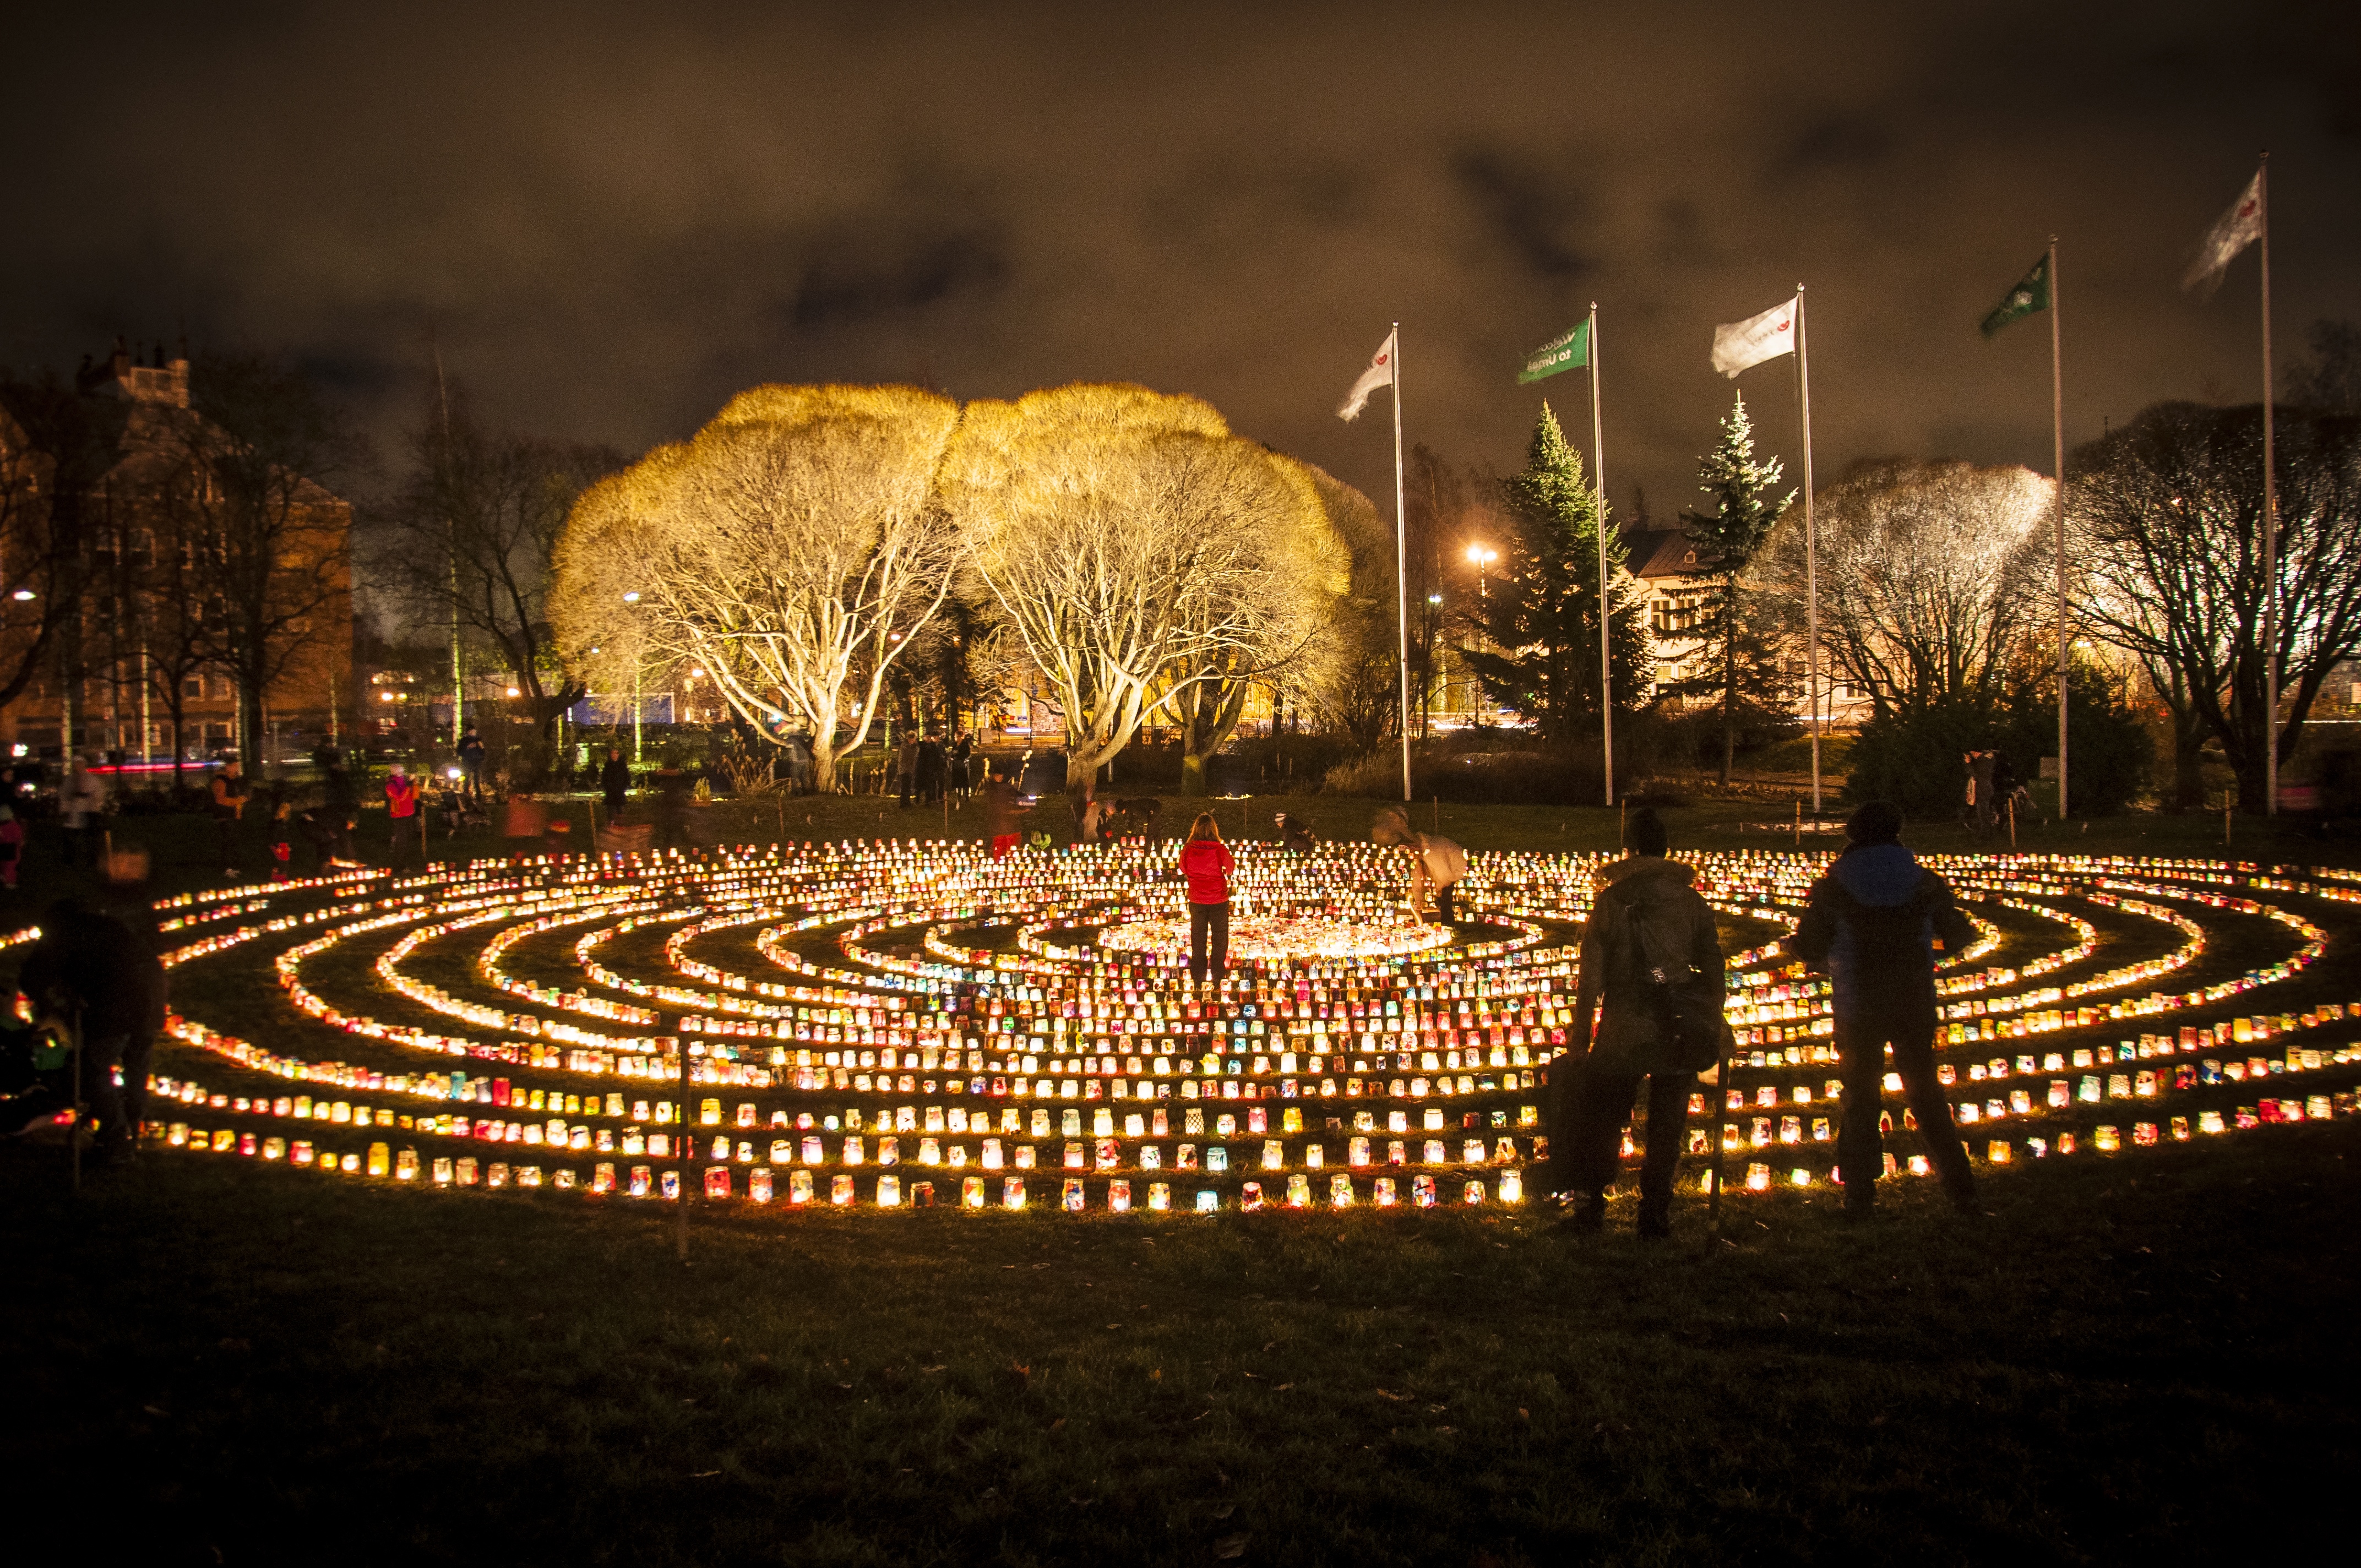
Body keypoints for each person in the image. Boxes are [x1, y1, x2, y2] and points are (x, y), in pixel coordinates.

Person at [1790, 800, 1981, 1218]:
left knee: (1860, 1097)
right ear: (1898, 834)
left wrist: (1808, 953)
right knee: (1926, 1093)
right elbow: (1960, 935)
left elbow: (1809, 944)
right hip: (1913, 999)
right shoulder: (1925, 884)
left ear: (1852, 837)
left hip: (1859, 1003)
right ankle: (1961, 1190)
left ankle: (1859, 1196)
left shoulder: (1832, 887)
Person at [1549, 808, 1729, 1237]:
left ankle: (1592, 1208)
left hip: (1625, 1024)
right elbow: (1714, 963)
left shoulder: (1613, 901)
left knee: (1606, 1116)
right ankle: (1655, 1212)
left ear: (1628, 851)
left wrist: (1579, 1037)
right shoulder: (1692, 902)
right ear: (1666, 852)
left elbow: (1591, 974)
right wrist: (1711, 1017)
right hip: (1679, 1022)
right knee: (1668, 1122)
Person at [12, 898, 168, 1166]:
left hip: (117, 1004)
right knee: (136, 1067)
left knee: (91, 1071)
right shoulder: (107, 926)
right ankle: (132, 1130)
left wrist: (51, 1007)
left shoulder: (63, 933)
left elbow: (31, 977)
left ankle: (117, 1141)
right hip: (151, 997)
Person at [1373, 806, 1467, 926]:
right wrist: (1418, 902)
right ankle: (1445, 919)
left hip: (1451, 868)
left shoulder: (1435, 851)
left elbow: (1443, 873)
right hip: (1445, 870)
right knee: (1444, 897)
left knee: (1445, 897)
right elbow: (1418, 878)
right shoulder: (1422, 854)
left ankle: (1447, 923)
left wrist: (1440, 887)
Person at [1178, 812, 1233, 986]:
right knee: (1220, 936)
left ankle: (1198, 974)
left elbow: (1183, 867)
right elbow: (1231, 867)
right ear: (1214, 829)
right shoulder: (1219, 848)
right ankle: (1217, 973)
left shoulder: (1188, 848)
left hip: (1197, 899)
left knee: (1199, 936)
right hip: (1218, 899)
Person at [61, 754, 110, 870]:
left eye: (80, 764)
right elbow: (65, 795)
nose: (78, 767)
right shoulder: (70, 780)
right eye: (76, 764)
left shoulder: (92, 779)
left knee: (90, 837)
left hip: (89, 810)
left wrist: (95, 806)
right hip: (74, 809)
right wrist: (65, 809)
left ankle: (92, 860)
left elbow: (99, 794)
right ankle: (71, 859)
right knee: (71, 836)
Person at [207, 756, 246, 876]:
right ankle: (227, 868)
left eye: (238, 767)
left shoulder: (233, 780)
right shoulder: (220, 781)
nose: (237, 769)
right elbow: (220, 800)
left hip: (233, 816)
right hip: (224, 816)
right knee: (227, 842)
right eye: (235, 767)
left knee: (233, 842)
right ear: (228, 767)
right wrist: (237, 801)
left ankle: (233, 867)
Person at [981, 767, 1029, 860]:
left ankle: (1010, 859)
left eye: (1002, 776)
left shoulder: (1006, 787)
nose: (1000, 778)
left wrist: (1027, 800)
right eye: (998, 776)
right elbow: (997, 805)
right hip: (998, 820)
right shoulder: (992, 789)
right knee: (999, 842)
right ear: (993, 776)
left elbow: (1017, 795)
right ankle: (998, 859)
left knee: (1011, 841)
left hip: (1010, 821)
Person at [385, 763, 422, 872]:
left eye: (403, 771)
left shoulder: (406, 781)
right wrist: (408, 786)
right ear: (394, 773)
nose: (402, 774)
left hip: (409, 813)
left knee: (408, 839)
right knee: (401, 841)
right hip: (399, 815)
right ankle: (398, 865)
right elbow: (399, 798)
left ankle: (407, 863)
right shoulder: (390, 784)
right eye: (400, 772)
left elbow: (415, 796)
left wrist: (415, 785)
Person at [599, 746, 632, 821]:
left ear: (618, 754)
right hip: (610, 792)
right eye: (613, 753)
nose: (614, 755)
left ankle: (620, 825)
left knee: (619, 809)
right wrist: (607, 787)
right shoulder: (608, 766)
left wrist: (624, 786)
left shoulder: (622, 766)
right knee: (610, 810)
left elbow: (627, 777)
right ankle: (611, 824)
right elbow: (604, 778)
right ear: (611, 755)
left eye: (616, 753)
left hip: (620, 791)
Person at [458, 725, 488, 801]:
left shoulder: (478, 740)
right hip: (467, 762)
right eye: (472, 731)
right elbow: (459, 752)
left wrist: (482, 748)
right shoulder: (464, 740)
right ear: (468, 732)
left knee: (477, 780)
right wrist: (467, 747)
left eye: (474, 731)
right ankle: (466, 795)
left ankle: (478, 797)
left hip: (477, 762)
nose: (473, 733)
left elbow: (483, 753)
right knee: (467, 779)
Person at [0, 804, 22, 890]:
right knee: (10, 865)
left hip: (2, 846)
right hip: (10, 848)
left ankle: (3, 877)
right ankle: (9, 882)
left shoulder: (1, 826)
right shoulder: (14, 825)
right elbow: (18, 836)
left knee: (3, 864)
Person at [897, 731, 921, 808]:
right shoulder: (905, 746)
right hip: (905, 769)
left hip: (910, 769)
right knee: (905, 787)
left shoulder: (912, 746)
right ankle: (904, 803)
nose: (913, 741)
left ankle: (907, 801)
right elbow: (909, 756)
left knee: (908, 786)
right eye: (912, 739)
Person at [949, 732, 974, 800]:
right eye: (956, 737)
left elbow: (967, 753)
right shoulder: (955, 745)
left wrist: (960, 755)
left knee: (964, 780)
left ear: (961, 737)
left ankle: (967, 797)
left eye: (957, 737)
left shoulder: (965, 744)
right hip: (956, 764)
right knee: (957, 781)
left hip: (962, 764)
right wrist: (952, 756)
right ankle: (959, 796)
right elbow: (952, 753)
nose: (956, 738)